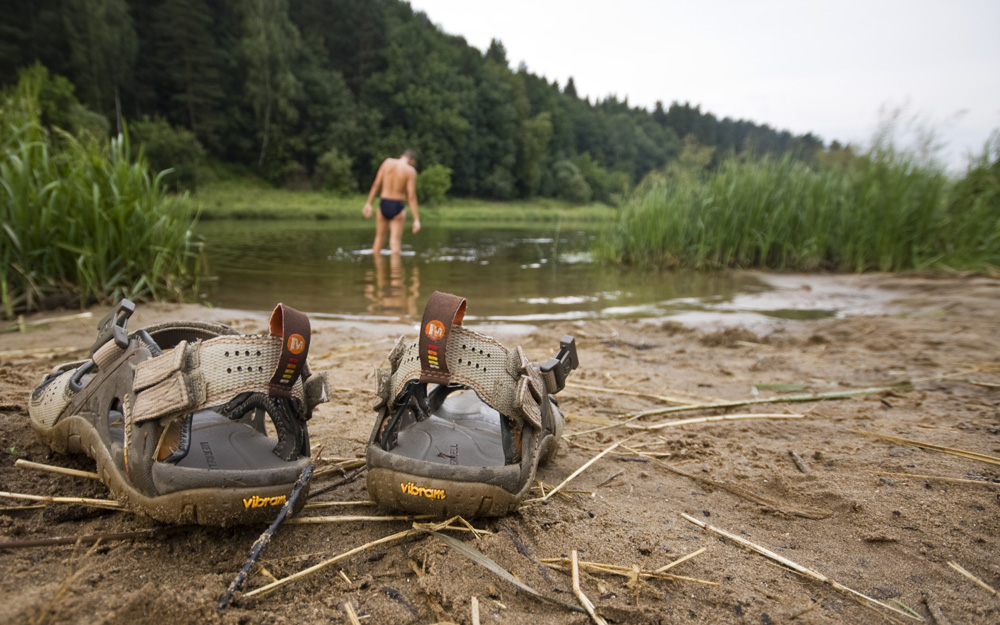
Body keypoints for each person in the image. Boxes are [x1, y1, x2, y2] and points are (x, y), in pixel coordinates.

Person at [362, 150, 421, 255]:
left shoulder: (387, 162)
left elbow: (376, 183)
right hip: (397, 205)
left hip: (384, 203)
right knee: (395, 242)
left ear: (401, 156)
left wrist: (369, 203)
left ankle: (377, 269)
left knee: (379, 238)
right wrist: (416, 219)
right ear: (412, 161)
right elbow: (411, 196)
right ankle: (396, 271)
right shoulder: (410, 171)